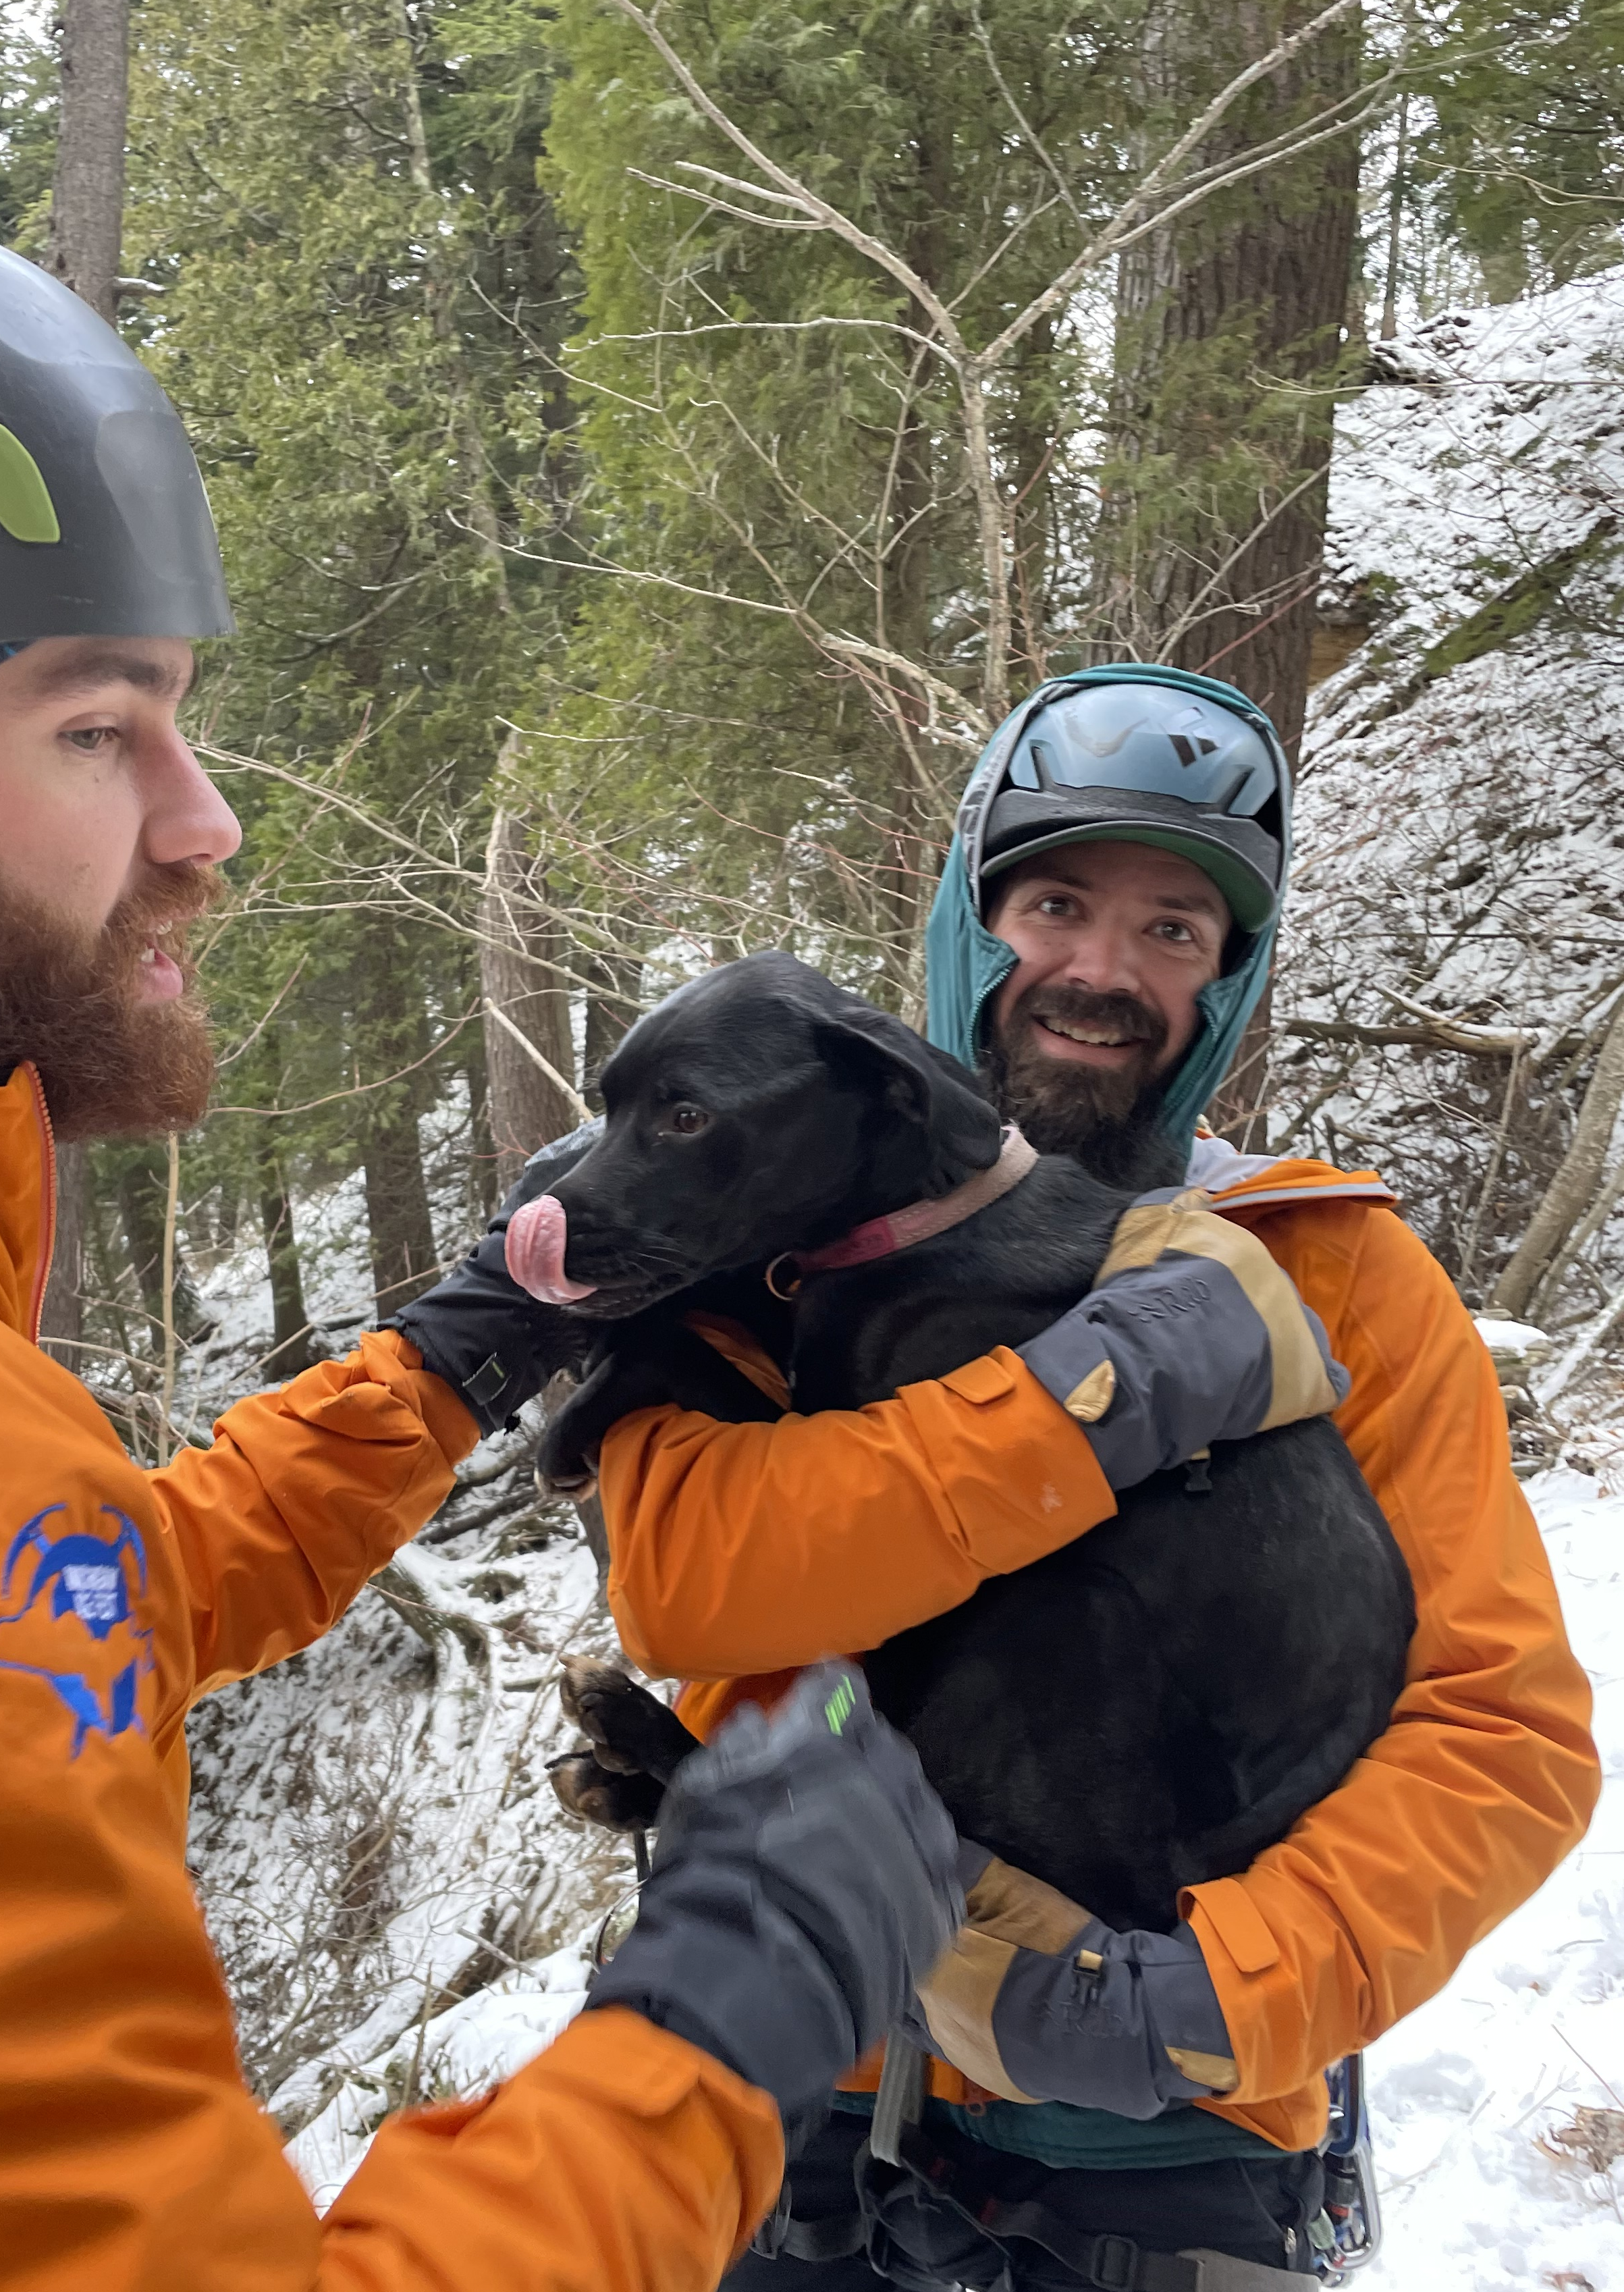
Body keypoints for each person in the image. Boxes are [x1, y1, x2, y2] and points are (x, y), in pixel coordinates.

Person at [0, 192, 973, 2289]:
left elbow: (44, 1609)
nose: (204, 820)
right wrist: (713, 2037)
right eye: (93, 722)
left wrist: (439, 1368)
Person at [497, 668, 1600, 2287]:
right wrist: (1098, 1403)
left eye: (1175, 929)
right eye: (1057, 902)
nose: (1102, 971)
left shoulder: (1335, 1270)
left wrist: (1204, 2002)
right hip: (784, 2070)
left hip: (1167, 2141)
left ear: (1229, 977)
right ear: (967, 913)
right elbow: (692, 1576)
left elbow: (1501, 1728)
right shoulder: (759, 1230)